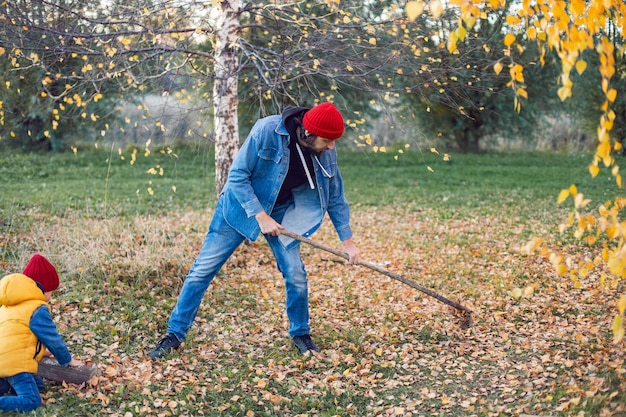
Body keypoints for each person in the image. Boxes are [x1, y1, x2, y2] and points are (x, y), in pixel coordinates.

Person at [148, 102, 361, 359]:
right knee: (201, 271)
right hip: (239, 208)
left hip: (282, 211)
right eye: (327, 141)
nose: (331, 147)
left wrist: (347, 241)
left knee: (295, 274)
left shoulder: (325, 151)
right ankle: (174, 334)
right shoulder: (267, 130)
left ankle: (300, 333)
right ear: (308, 132)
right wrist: (260, 216)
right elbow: (237, 176)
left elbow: (336, 196)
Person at [0, 254, 84, 413]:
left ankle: (4, 384)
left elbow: (15, 336)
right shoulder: (36, 308)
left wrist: (42, 352)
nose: (51, 297)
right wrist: (67, 360)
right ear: (42, 288)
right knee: (31, 401)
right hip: (15, 364)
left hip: (4, 359)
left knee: (38, 385)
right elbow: (52, 338)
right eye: (51, 292)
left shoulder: (9, 304)